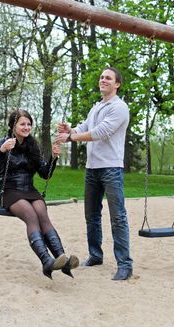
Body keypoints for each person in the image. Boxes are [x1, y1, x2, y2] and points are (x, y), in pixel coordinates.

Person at [55, 67, 133, 280]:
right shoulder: (97, 107)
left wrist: (71, 138)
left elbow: (101, 132)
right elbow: (85, 127)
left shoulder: (119, 107)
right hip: (92, 168)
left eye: (108, 78)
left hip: (111, 168)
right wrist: (70, 130)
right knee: (92, 216)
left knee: (118, 217)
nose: (103, 80)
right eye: (101, 77)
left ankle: (125, 264)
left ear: (117, 84)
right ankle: (95, 255)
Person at [0, 109, 79, 280]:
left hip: (29, 190)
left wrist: (53, 158)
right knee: (31, 216)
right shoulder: (3, 142)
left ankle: (62, 259)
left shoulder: (32, 145)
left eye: (29, 124)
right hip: (9, 191)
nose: (26, 127)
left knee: (42, 215)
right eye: (22, 124)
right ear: (13, 126)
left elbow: (45, 173)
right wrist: (1, 151)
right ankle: (46, 261)